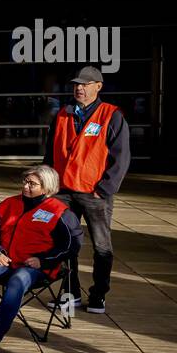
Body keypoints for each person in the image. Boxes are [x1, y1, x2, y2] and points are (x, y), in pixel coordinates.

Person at [0, 164, 82, 353]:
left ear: (47, 188)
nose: (25, 186)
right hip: (5, 261)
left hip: (35, 267)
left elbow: (71, 245)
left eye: (32, 184)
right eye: (25, 182)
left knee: (17, 281)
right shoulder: (8, 204)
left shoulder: (60, 212)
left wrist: (43, 260)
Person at [43, 65, 131, 314]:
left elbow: (121, 158)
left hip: (94, 194)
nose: (79, 88)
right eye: (76, 84)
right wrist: (49, 185)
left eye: (85, 84)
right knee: (65, 242)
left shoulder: (110, 115)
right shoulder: (62, 114)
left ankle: (99, 294)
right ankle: (71, 294)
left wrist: (104, 189)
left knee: (102, 246)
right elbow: (50, 153)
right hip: (63, 192)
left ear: (98, 87)